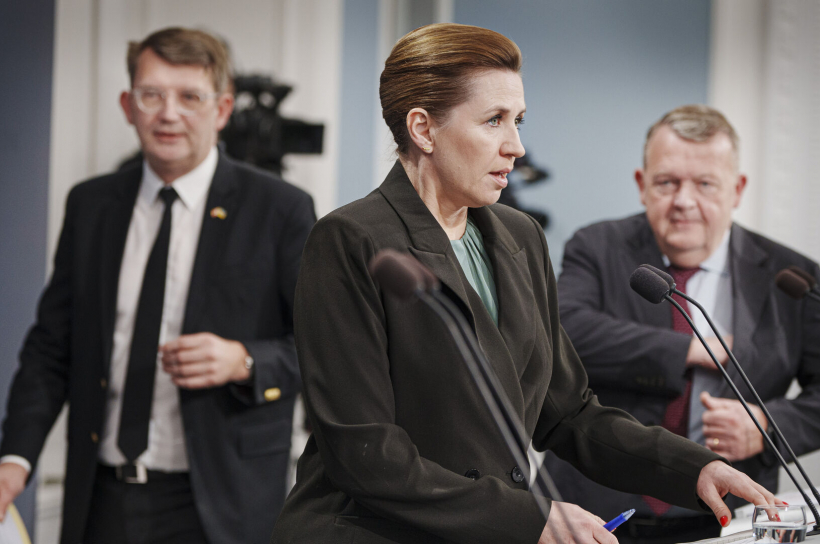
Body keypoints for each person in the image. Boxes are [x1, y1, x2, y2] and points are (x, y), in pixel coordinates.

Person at [271, 25, 778, 544]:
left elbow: (569, 414)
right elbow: (365, 454)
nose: (515, 146)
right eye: (494, 120)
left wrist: (694, 468)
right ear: (423, 129)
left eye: (518, 121)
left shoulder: (520, 236)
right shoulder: (350, 240)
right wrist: (530, 518)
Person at [0, 27, 315, 544]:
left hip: (222, 506)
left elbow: (323, 350)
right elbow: (52, 346)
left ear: (222, 109)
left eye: (190, 97)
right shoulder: (91, 205)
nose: (169, 114)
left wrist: (244, 361)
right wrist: (15, 457)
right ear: (128, 106)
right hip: (101, 500)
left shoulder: (280, 209)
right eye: (152, 95)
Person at [544, 104, 820, 543]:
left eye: (705, 184)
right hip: (593, 513)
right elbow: (563, 331)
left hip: (729, 519)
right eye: (667, 182)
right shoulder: (596, 246)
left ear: (737, 189)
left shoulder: (791, 276)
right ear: (642, 184)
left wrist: (767, 426)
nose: (684, 201)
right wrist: (691, 348)